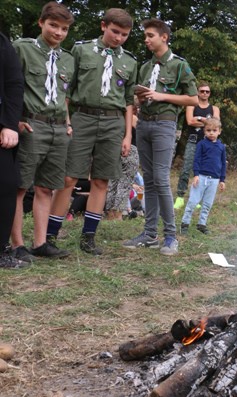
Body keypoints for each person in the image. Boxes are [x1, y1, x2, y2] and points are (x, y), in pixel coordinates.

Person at [48, 8, 137, 255]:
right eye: (115, 31)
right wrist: (67, 121)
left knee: (101, 180)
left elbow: (129, 100)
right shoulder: (81, 50)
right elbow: (66, 88)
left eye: (124, 34)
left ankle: (89, 237)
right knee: (69, 178)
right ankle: (50, 235)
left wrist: (128, 134)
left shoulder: (130, 61)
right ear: (103, 26)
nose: (119, 38)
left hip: (113, 122)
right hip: (82, 117)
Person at [122, 18, 198, 256]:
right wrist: (140, 99)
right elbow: (137, 100)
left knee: (162, 179)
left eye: (150, 35)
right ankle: (150, 234)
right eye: (145, 36)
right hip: (143, 125)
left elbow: (193, 99)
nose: (146, 39)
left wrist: (162, 96)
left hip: (165, 125)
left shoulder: (179, 65)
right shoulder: (145, 67)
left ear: (164, 37)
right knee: (150, 180)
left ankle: (171, 237)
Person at [11, 2, 75, 261]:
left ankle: (40, 243)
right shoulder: (22, 49)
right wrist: (12, 121)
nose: (58, 33)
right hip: (31, 124)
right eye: (53, 26)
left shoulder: (67, 59)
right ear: (41, 23)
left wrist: (68, 123)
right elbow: (10, 87)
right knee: (20, 186)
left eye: (64, 29)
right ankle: (17, 244)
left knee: (46, 187)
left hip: (59, 128)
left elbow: (64, 95)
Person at [0, 31, 28, 269]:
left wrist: (9, 124)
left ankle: (0, 250)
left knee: (7, 184)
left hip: (1, 127)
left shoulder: (2, 43)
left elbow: (13, 84)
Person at [174, 81, 220, 209]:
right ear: (198, 92)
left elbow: (216, 125)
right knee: (186, 169)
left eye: (207, 91)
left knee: (203, 172)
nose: (205, 93)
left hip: (208, 144)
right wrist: (207, 122)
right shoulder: (191, 106)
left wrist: (199, 119)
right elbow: (190, 121)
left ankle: (198, 199)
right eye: (202, 91)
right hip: (193, 141)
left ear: (209, 93)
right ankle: (180, 197)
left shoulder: (214, 108)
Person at [179, 118, 226, 235]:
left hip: (214, 180)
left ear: (219, 131)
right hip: (201, 177)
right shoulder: (201, 144)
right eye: (208, 130)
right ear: (204, 131)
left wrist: (222, 180)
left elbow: (223, 163)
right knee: (193, 202)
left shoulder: (221, 147)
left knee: (207, 204)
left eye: (214, 130)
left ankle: (202, 224)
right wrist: (196, 175)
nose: (211, 133)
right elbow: (197, 160)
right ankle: (185, 224)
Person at [105, 109, 140, 220]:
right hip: (131, 150)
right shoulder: (134, 119)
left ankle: (110, 214)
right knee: (124, 185)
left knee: (113, 184)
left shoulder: (113, 118)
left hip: (114, 149)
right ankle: (119, 215)